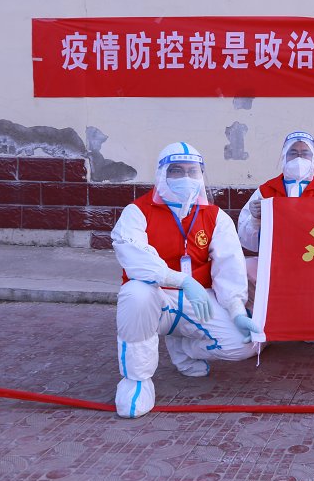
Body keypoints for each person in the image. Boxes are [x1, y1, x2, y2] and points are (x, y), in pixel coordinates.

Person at [112, 142, 262, 419]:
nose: (186, 178)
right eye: (176, 171)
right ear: (162, 174)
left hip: (199, 299)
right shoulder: (137, 211)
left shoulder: (215, 216)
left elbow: (229, 266)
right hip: (157, 296)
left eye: (192, 172)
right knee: (135, 294)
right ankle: (136, 381)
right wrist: (182, 281)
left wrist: (236, 309)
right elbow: (133, 255)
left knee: (242, 346)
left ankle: (186, 348)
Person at [237, 132, 314, 296]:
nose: (299, 158)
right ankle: (255, 311)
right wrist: (255, 220)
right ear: (284, 157)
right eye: (293, 153)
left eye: (305, 153)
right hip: (274, 261)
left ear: (313, 157)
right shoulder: (266, 190)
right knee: (242, 269)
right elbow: (248, 243)